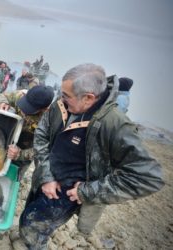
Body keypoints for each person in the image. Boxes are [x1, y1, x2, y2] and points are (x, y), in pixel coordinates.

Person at [19, 63, 164, 249]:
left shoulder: (115, 125)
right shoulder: (61, 103)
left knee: (37, 226)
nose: (60, 99)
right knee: (28, 214)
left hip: (66, 195)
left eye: (66, 96)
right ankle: (26, 239)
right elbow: (42, 134)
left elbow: (148, 177)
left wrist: (88, 191)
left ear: (88, 98)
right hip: (44, 176)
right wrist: (46, 176)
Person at [0, 85, 54, 180]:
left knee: (14, 174)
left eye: (29, 109)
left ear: (44, 109)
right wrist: (3, 102)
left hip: (27, 145)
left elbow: (46, 149)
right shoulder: (20, 95)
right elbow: (4, 96)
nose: (23, 110)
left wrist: (21, 154)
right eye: (24, 104)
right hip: (10, 135)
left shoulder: (50, 120)